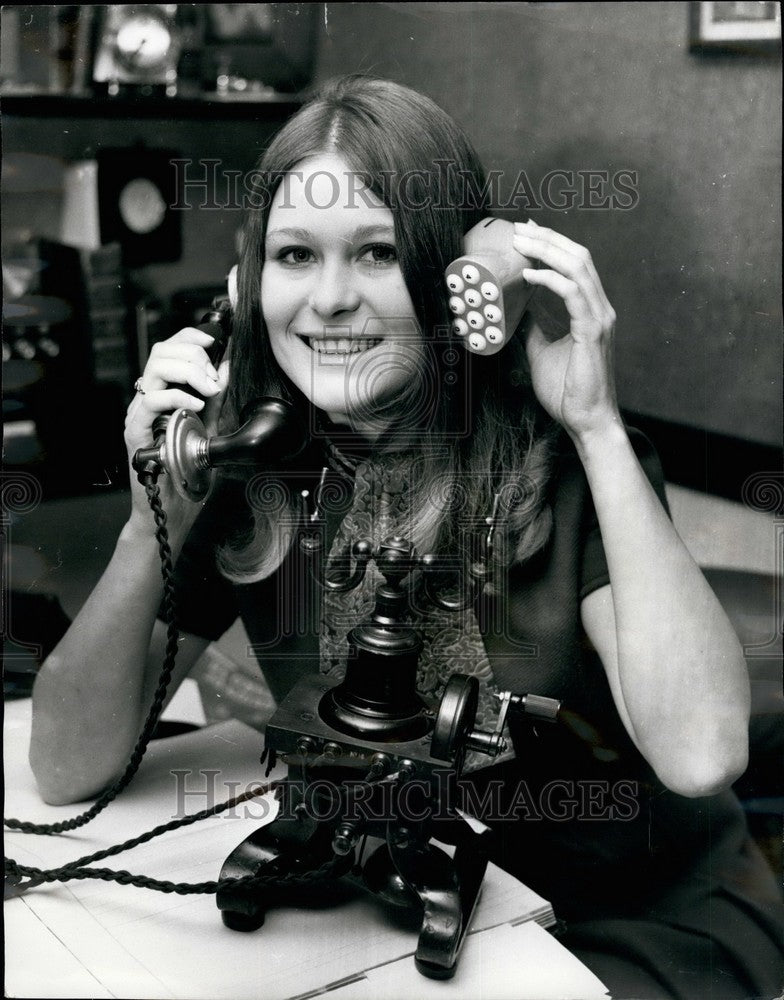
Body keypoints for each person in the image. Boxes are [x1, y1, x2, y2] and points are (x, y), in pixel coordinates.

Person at [29, 76, 782, 999]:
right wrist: (158, 515)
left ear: (449, 270)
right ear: (246, 284)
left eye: (377, 253)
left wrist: (596, 427)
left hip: (628, 925)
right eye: (295, 255)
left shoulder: (567, 458)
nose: (330, 300)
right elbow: (66, 766)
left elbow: (703, 753)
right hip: (401, 923)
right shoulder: (262, 461)